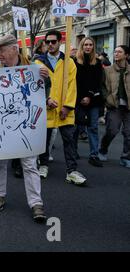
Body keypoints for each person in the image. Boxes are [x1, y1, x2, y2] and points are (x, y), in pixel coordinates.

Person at [0, 35, 50, 222]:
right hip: (2, 126)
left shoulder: (35, 68)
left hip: (26, 125)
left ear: (14, 49)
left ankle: (36, 203)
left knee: (30, 165)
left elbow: (42, 93)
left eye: (1, 50)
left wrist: (46, 86)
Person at [35, 30, 87, 185]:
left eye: (53, 42)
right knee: (43, 140)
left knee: (69, 140)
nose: (50, 45)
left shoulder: (69, 62)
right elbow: (35, 87)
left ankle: (71, 171)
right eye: (47, 42)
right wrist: (46, 100)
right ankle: (43, 165)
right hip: (47, 107)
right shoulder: (38, 63)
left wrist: (68, 106)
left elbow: (73, 86)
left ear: (59, 42)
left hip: (65, 109)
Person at [73, 37, 104, 167]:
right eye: (85, 44)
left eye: (90, 44)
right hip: (77, 99)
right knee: (75, 128)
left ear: (93, 47)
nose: (88, 47)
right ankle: (73, 152)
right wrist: (81, 98)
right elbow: (73, 81)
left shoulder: (97, 63)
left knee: (93, 128)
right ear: (81, 46)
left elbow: (99, 82)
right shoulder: (74, 61)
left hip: (93, 100)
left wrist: (89, 96)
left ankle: (94, 155)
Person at [99, 45, 130, 168]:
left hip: (128, 107)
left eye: (119, 52)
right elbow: (102, 86)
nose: (116, 54)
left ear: (126, 55)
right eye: (115, 51)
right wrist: (107, 98)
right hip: (114, 106)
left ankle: (125, 157)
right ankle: (103, 149)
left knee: (129, 134)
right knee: (112, 131)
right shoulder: (108, 70)